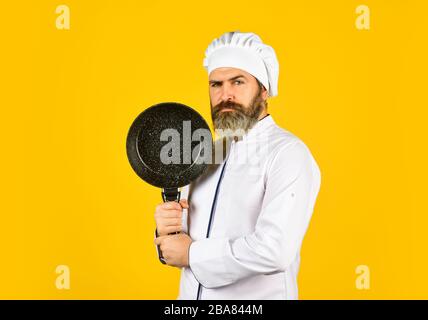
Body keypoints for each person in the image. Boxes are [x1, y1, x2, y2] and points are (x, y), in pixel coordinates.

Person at [154, 31, 321, 300]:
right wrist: (167, 231)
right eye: (216, 84)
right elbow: (189, 239)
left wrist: (191, 254)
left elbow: (274, 250)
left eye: (238, 82)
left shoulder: (288, 153)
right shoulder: (205, 153)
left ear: (264, 90)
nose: (225, 94)